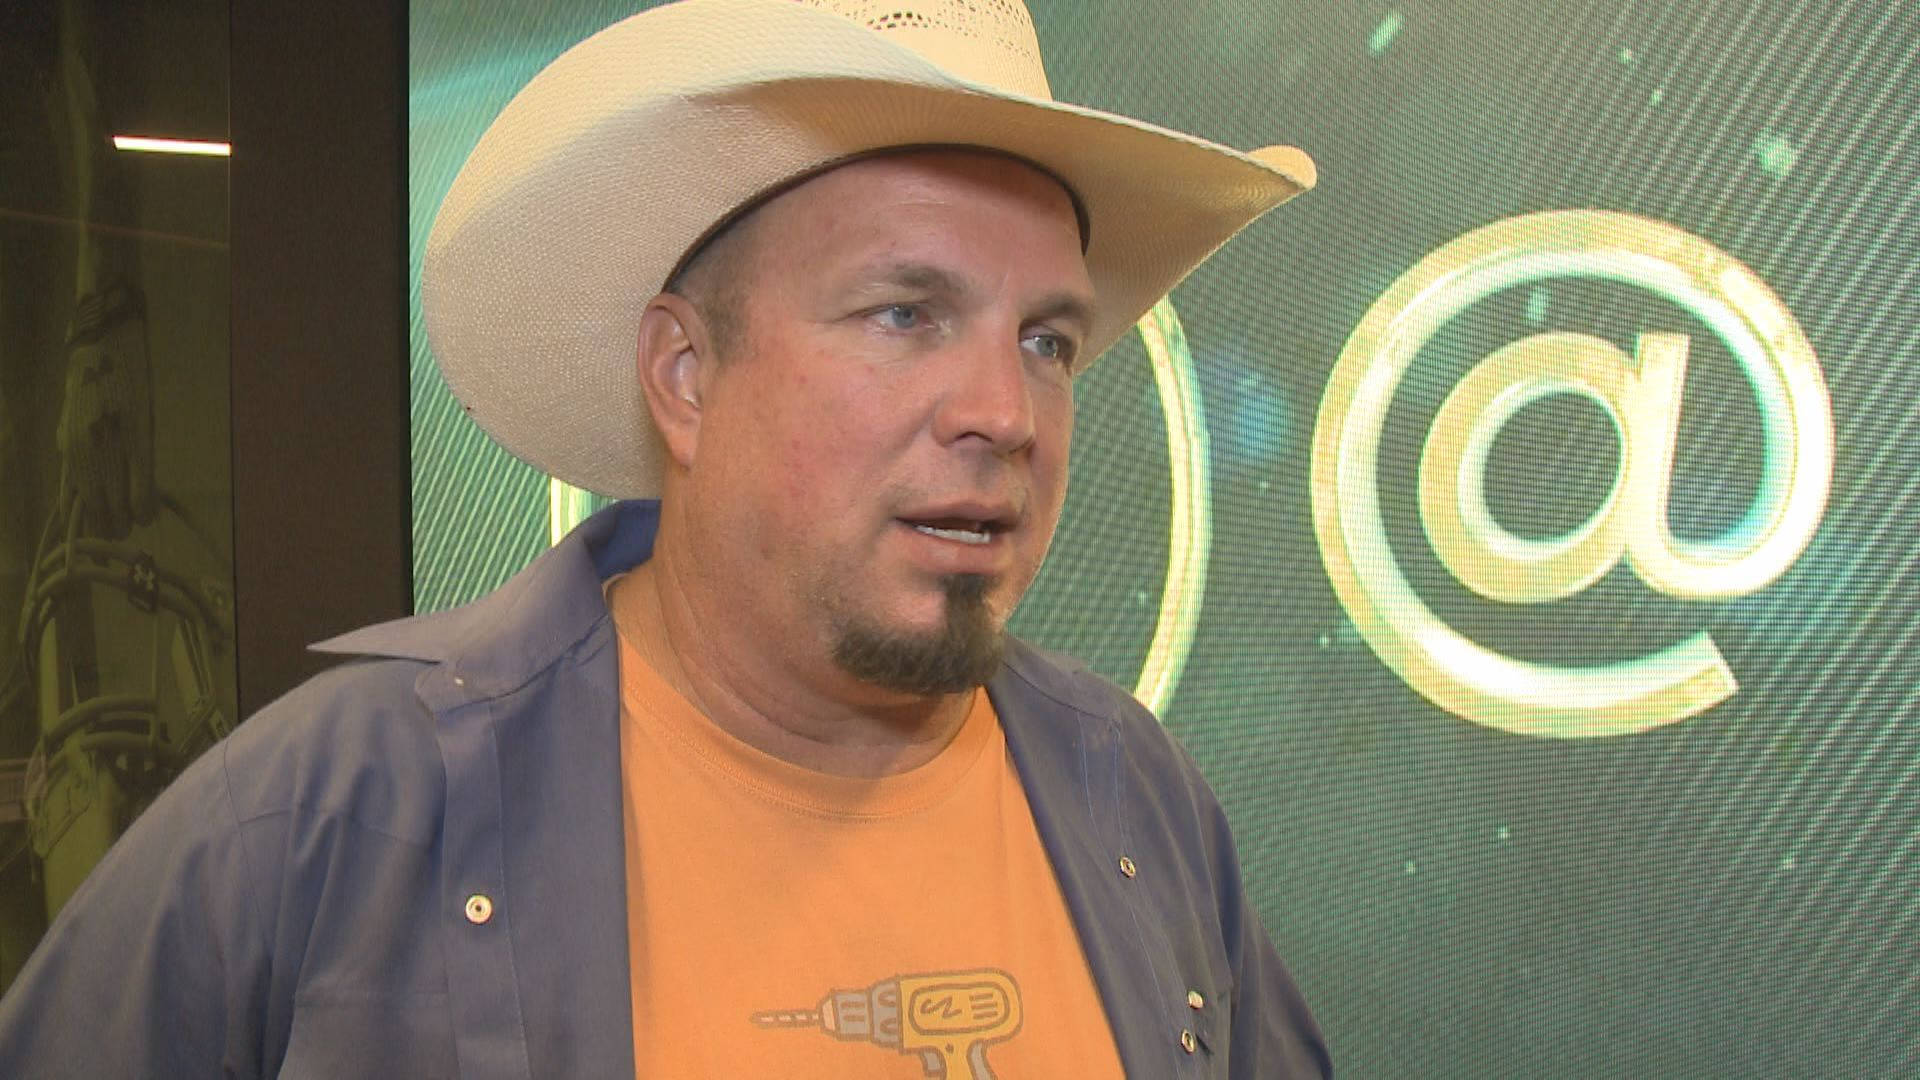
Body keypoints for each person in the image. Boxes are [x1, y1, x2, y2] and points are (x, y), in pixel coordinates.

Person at [0, 0, 1330, 1075]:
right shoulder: (320, 822)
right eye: (904, 315)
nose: (1005, 411)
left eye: (1047, 340)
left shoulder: (1126, 789)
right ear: (685, 376)